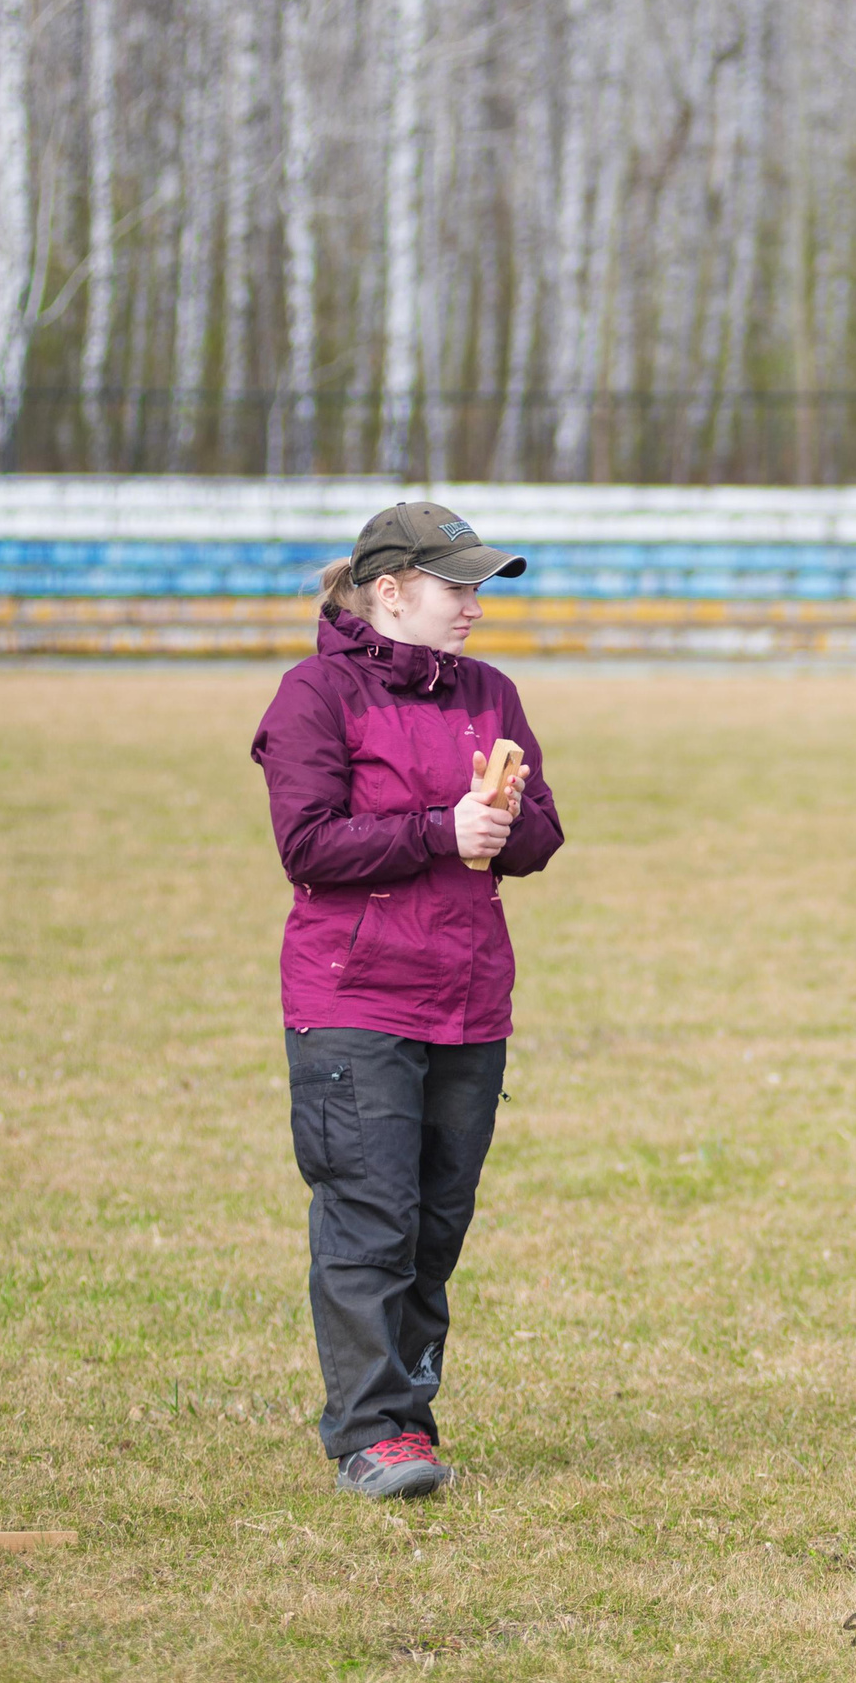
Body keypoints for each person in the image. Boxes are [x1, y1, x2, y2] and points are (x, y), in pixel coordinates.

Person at [250, 501, 564, 1499]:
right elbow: (307, 844)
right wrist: (441, 830)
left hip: (470, 997)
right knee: (369, 1216)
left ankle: (408, 1412)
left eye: (480, 586)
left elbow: (541, 835)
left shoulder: (492, 693)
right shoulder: (313, 696)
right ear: (390, 592)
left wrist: (503, 825)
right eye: (457, 586)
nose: (474, 604)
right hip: (355, 997)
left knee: (434, 1222)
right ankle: (368, 1430)